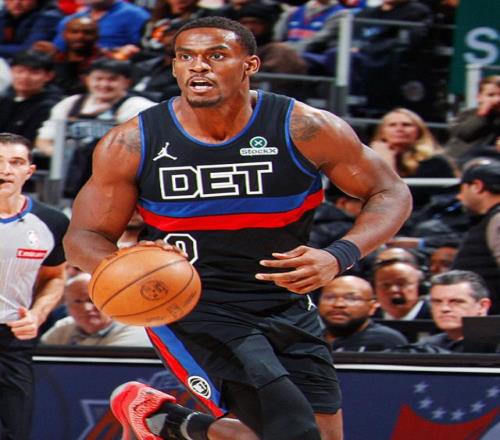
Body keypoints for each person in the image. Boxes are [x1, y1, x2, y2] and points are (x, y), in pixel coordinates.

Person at [63, 16, 412, 440]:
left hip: (286, 301)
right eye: (186, 57)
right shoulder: (133, 142)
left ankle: (166, 421)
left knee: (320, 436)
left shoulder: (304, 127)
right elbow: (83, 237)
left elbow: (390, 191)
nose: (198, 66)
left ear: (250, 65)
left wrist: (339, 255)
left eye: (216, 55)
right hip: (193, 305)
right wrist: (128, 267)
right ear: (174, 67)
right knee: (293, 433)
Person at [0, 132, 68, 440]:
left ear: (29, 171)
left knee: (15, 431)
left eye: (15, 162)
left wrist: (38, 315)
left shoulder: (52, 222)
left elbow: (54, 278)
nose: (5, 170)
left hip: (14, 339)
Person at [35, 58, 155, 197]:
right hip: (70, 177)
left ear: (127, 82)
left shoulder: (139, 106)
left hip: (117, 177)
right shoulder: (70, 104)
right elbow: (44, 140)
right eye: (98, 79)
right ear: (87, 80)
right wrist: (65, 156)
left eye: (112, 79)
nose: (104, 84)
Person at [369, 107, 456, 208]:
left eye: (406, 125)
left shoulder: (434, 162)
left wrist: (387, 162)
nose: (399, 129)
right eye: (392, 125)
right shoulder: (367, 159)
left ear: (419, 132)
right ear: (382, 132)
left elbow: (402, 199)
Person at [41, 273, 151, 346]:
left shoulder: (133, 328)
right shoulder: (63, 327)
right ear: (67, 306)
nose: (87, 308)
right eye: (78, 301)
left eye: (92, 301)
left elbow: (105, 367)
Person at [451, 158, 500, 314]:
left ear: (477, 186)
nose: (459, 197)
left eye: (462, 189)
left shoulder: (497, 218)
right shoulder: (490, 219)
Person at [318, 275, 408, 351]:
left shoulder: (387, 340)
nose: (338, 304)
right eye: (330, 297)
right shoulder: (312, 340)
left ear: (372, 307)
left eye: (351, 298)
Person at [419, 270, 491, 352]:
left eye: (456, 302)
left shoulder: (495, 349)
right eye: (437, 301)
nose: (444, 308)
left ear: (482, 306)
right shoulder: (423, 348)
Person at [33, 16, 106, 96]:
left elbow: (73, 89)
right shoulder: (56, 55)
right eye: (74, 32)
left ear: (97, 36)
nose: (80, 37)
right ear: (64, 34)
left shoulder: (103, 61)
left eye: (87, 33)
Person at [0, 50, 62, 143]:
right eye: (20, 71)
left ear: (49, 76)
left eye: (34, 73)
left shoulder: (50, 106)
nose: (25, 77)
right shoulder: (4, 98)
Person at [52, 0, 151, 55]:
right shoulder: (71, 19)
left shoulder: (135, 15)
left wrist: (120, 52)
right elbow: (58, 49)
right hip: (72, 69)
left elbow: (145, 50)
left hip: (114, 69)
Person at [444, 75, 500, 167]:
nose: (497, 100)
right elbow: (464, 134)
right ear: (479, 97)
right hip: (458, 160)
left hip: (489, 163)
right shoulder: (468, 114)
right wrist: (481, 115)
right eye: (491, 95)